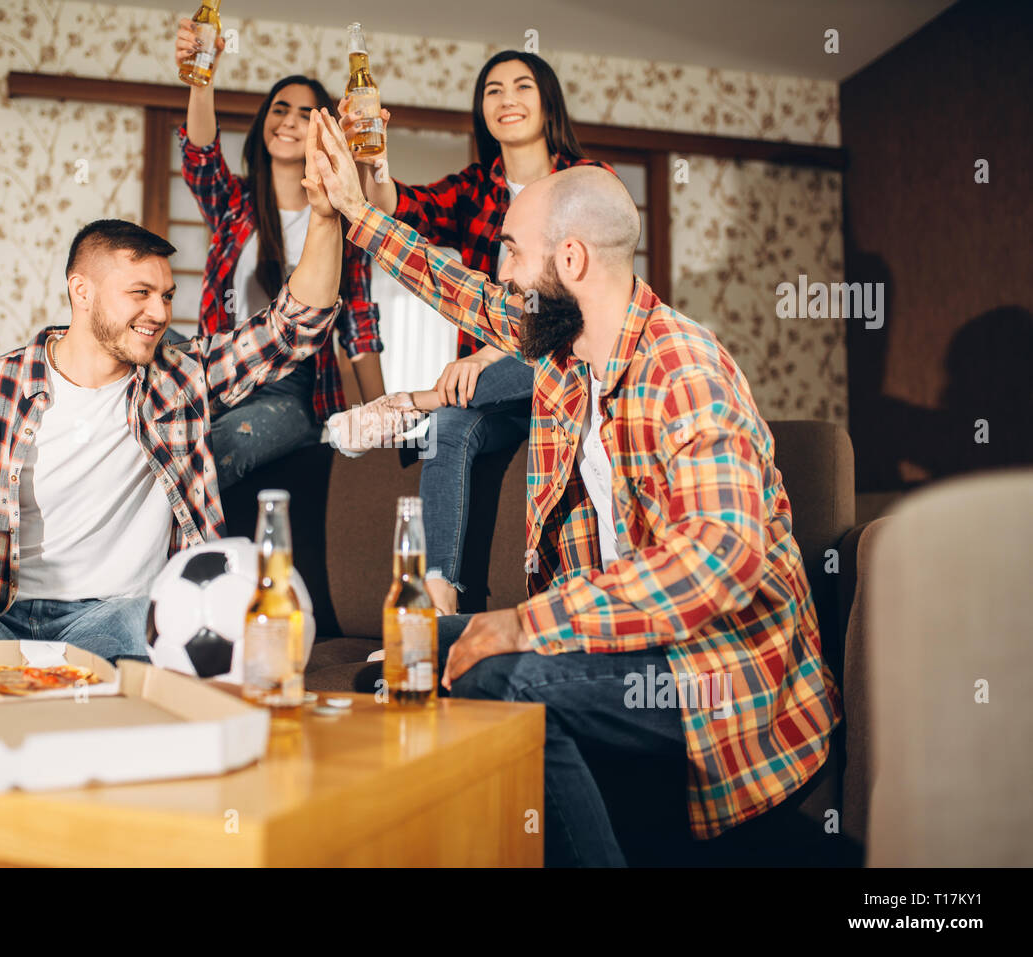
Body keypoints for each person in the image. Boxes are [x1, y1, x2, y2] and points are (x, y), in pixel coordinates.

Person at [307, 107, 842, 866]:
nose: (500, 270)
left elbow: (721, 557)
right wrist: (357, 212)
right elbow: (456, 287)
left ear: (572, 258)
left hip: (711, 673)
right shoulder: (565, 349)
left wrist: (529, 624)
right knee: (409, 649)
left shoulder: (682, 367)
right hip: (627, 646)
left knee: (500, 674)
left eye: (512, 251)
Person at [0, 130, 344, 661]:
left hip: (114, 616)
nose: (160, 313)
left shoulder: (180, 379)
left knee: (152, 625)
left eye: (165, 296)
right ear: (81, 291)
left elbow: (295, 324)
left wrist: (324, 217)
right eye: (139, 294)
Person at [330, 51, 612, 616]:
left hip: (565, 366)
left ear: (547, 100)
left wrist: (485, 356)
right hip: (493, 387)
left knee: (518, 366)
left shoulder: (586, 182)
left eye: (522, 86)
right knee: (447, 428)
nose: (507, 99)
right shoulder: (476, 186)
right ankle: (438, 601)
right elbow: (397, 210)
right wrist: (374, 160)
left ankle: (406, 405)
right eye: (493, 91)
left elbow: (581, 309)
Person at [174, 19, 384, 490]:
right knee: (151, 346)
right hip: (219, 368)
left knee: (221, 445)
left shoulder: (341, 223)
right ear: (263, 121)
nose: (290, 121)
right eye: (280, 109)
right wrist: (200, 78)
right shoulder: (234, 207)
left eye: (307, 114)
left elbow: (360, 329)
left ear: (325, 130)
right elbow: (200, 157)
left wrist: (382, 424)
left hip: (293, 389)